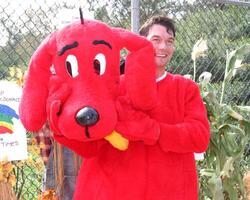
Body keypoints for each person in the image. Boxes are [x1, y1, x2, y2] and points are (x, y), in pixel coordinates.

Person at [69, 15, 210, 200]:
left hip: (168, 189)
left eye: (169, 41)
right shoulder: (112, 87)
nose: (163, 47)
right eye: (156, 40)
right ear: (139, 43)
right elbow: (89, 142)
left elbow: (199, 137)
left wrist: (155, 130)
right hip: (116, 189)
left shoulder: (185, 88)